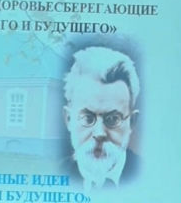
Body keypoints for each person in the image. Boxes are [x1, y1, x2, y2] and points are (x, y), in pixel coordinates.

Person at [60, 45, 141, 191]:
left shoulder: (150, 177)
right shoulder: (55, 173)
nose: (99, 133)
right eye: (87, 118)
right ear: (69, 119)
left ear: (131, 122)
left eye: (113, 119)